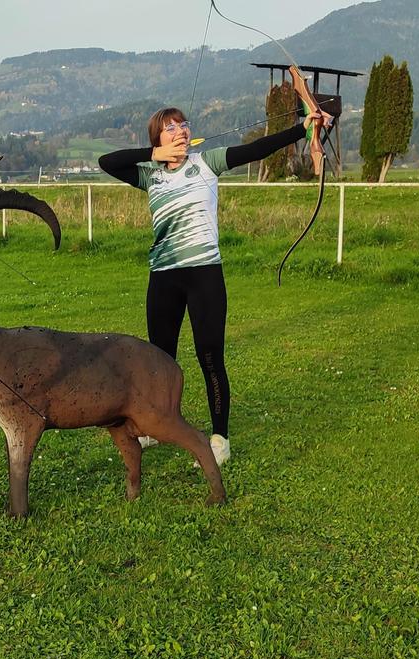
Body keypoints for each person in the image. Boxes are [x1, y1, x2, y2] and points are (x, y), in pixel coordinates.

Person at [98, 66, 330, 467]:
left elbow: (255, 149)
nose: (181, 132)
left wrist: (303, 129)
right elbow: (106, 160)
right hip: (164, 277)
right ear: (158, 138)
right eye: (171, 128)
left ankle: (219, 438)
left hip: (204, 274)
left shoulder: (208, 163)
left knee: (210, 356)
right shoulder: (148, 175)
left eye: (184, 126)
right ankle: (156, 425)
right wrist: (153, 156)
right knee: (159, 359)